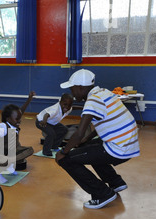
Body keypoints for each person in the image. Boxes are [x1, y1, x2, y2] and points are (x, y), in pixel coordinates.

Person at [56, 69, 140, 209]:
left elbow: (79, 133)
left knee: (66, 160)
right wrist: (86, 140)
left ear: (80, 88)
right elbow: (104, 124)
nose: (72, 93)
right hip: (128, 145)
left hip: (119, 149)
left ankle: (102, 194)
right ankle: (115, 182)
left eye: (72, 89)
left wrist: (63, 152)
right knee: (86, 148)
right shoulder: (104, 93)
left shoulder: (93, 100)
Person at [0, 91, 36, 183]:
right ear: (8, 119)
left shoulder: (14, 123)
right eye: (17, 119)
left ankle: (10, 166)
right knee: (7, 159)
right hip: (3, 152)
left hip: (14, 149)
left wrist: (29, 99)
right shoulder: (4, 126)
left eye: (20, 118)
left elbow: (22, 110)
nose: (19, 121)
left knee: (29, 150)